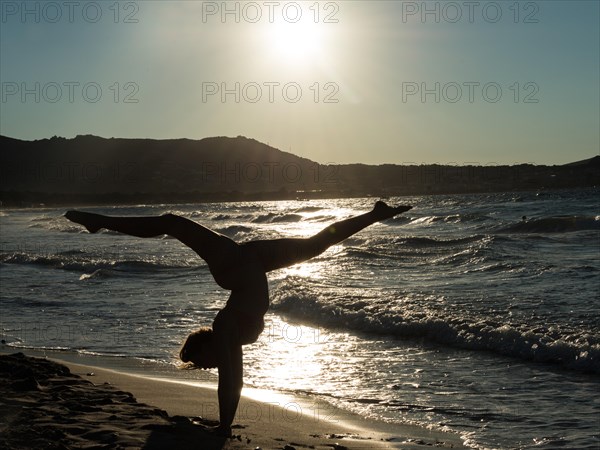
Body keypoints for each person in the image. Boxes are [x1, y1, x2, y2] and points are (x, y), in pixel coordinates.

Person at [65, 201, 412, 437]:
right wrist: (225, 426)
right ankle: (375, 213)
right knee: (317, 244)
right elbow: (236, 381)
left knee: (172, 223)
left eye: (200, 362)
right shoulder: (229, 335)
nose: (207, 367)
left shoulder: (224, 330)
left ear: (203, 346)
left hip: (233, 266)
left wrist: (223, 429)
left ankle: (100, 222)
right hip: (252, 262)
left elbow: (229, 383)